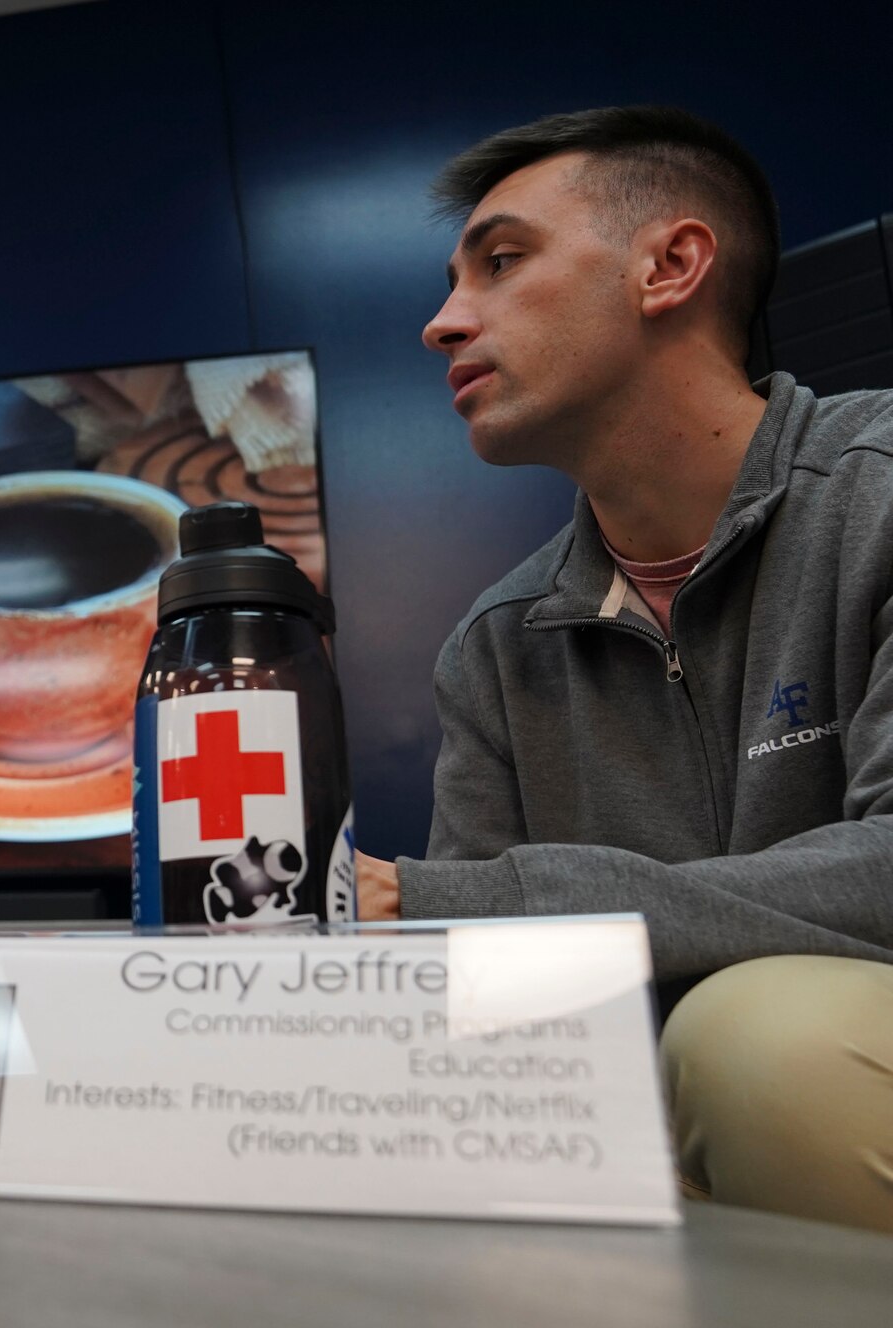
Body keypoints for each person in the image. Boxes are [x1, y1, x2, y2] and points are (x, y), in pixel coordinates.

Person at [353, 106, 893, 1232]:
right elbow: (492, 1004)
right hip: (647, 1126)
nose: (441, 323)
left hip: (808, 1068)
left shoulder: (878, 493)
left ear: (669, 265)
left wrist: (435, 899)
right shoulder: (498, 642)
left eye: (499, 262)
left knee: (758, 1039)